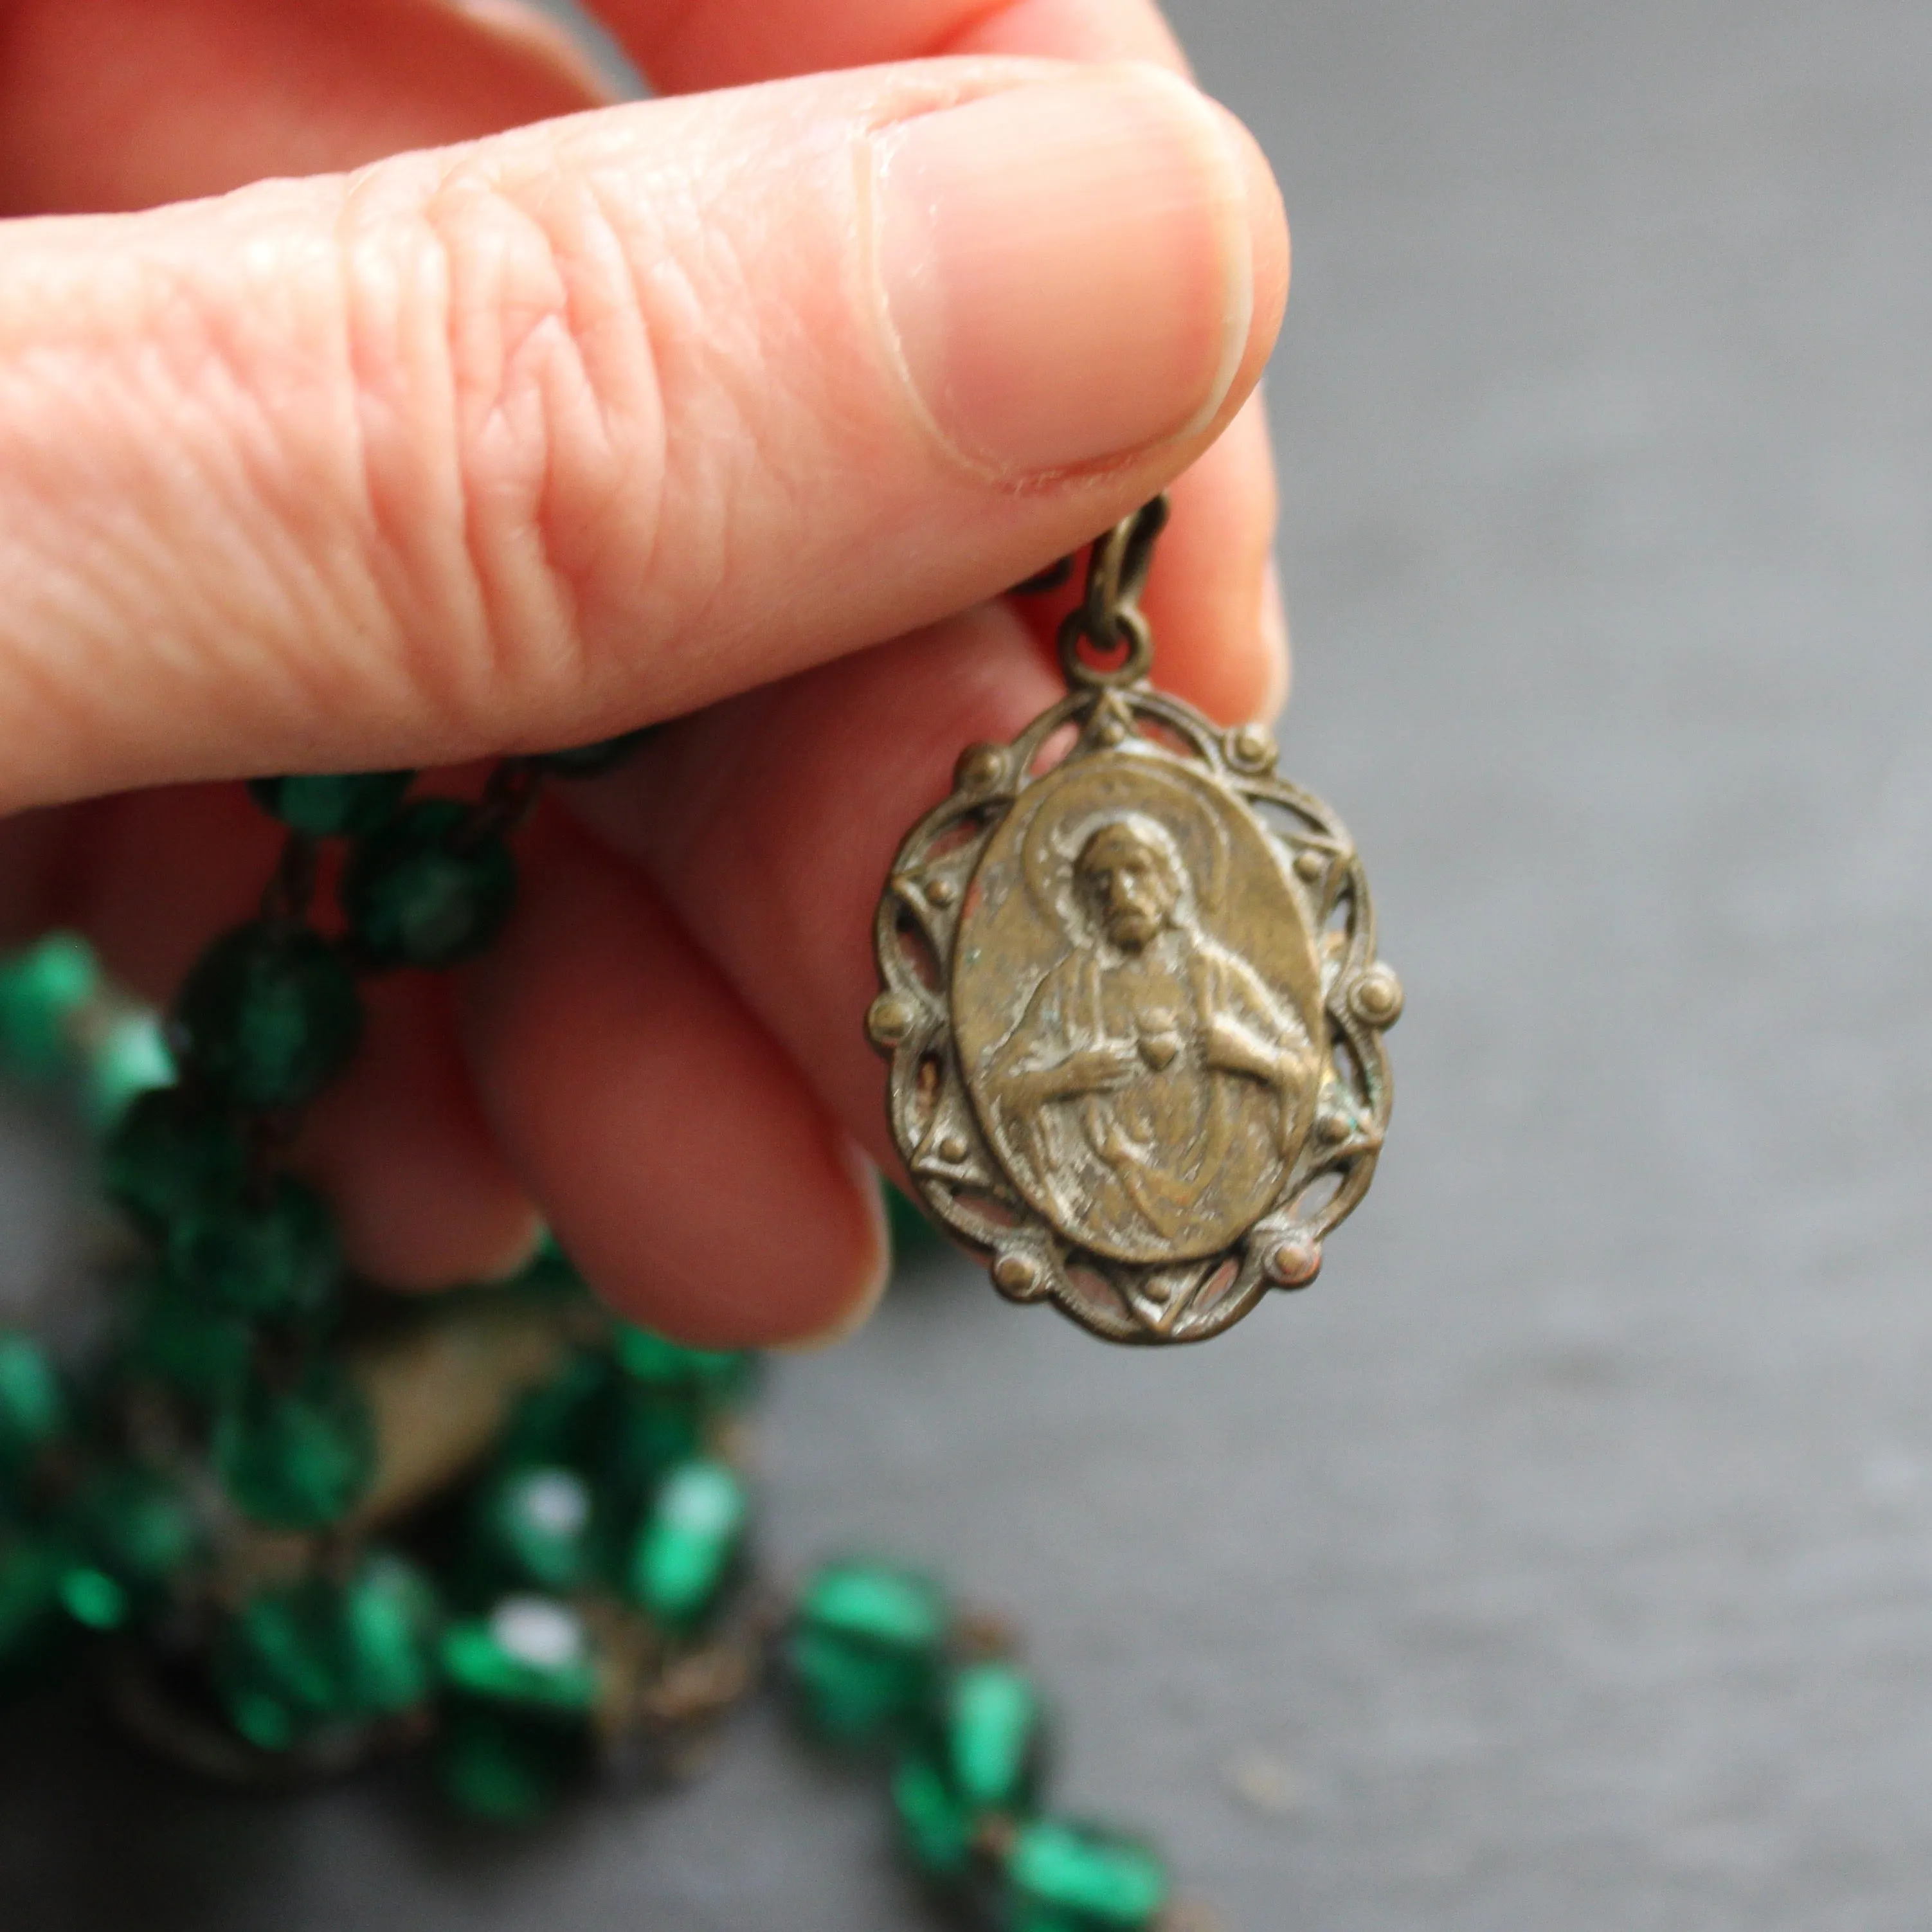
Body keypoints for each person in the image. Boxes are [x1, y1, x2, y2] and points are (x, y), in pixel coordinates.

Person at [0, 0, 1290, 1349]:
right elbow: (1033, 1067)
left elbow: (1262, 1047)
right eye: (1122, 879)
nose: (1142, 895)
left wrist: (1199, 1053)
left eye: (1144, 877)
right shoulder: (1060, 987)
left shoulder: (1206, 962)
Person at [983, 813, 1315, 1260]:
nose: (1119, 893)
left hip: (1222, 1187)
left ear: (1168, 882)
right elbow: (997, 1086)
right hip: (1104, 1200)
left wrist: (1252, 1055)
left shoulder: (1215, 976)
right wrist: (1064, 1076)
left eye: (1136, 871)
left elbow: (1305, 1069)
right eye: (1100, 881)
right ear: (1085, 901)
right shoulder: (1072, 988)